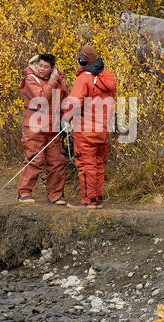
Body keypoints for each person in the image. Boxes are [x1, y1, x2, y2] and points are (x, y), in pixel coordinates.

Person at [64, 44, 117, 208]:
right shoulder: (107, 76)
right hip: (102, 130)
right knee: (97, 164)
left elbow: (73, 103)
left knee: (86, 166)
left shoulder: (84, 79)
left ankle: (89, 201)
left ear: (82, 60)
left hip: (85, 131)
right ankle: (96, 199)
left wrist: (65, 120)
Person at [18, 52, 70, 205]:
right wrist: (53, 80)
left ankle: (55, 194)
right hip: (34, 128)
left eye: (45, 67)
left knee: (58, 161)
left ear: (51, 68)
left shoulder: (59, 81)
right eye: (40, 65)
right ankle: (24, 192)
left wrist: (66, 119)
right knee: (35, 159)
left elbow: (65, 100)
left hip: (53, 128)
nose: (41, 69)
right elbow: (41, 98)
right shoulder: (30, 79)